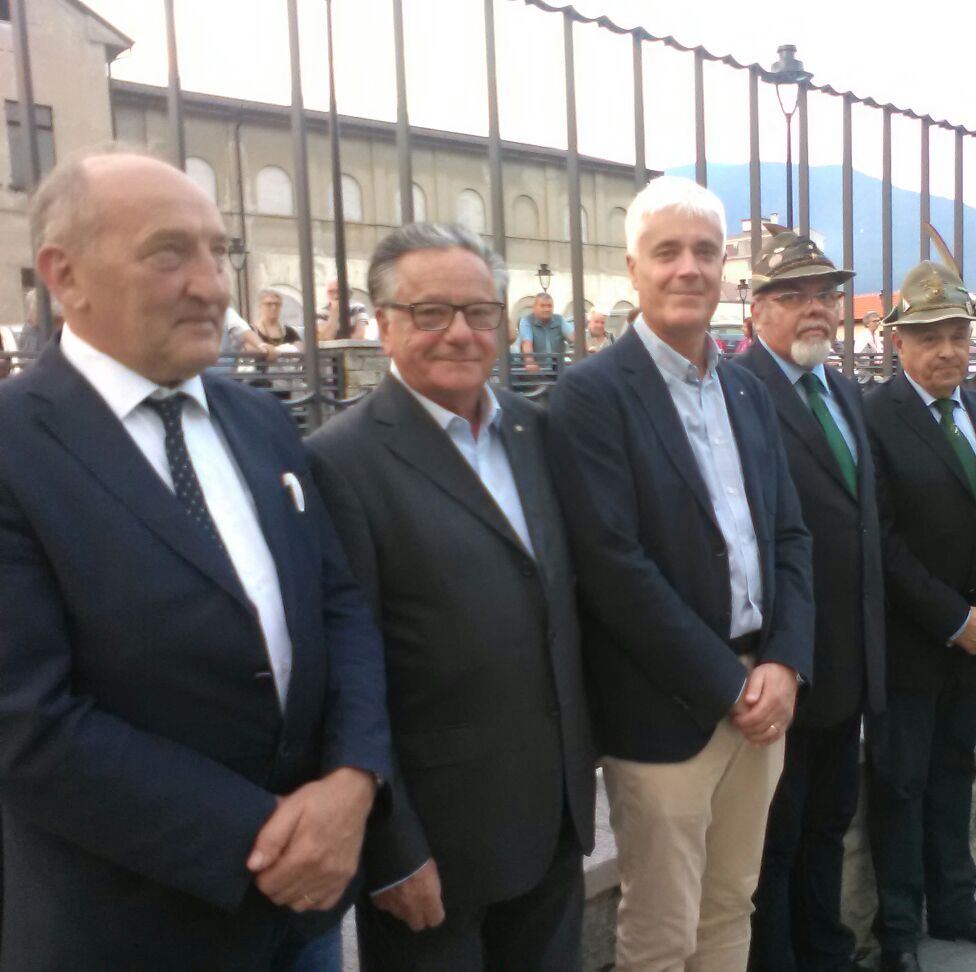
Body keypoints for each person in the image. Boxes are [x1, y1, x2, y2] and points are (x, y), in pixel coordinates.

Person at [0, 147, 391, 967]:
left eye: (219, 252)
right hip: (133, 925)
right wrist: (269, 840)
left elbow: (337, 604)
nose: (213, 286)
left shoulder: (261, 420)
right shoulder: (15, 446)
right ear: (65, 276)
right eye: (169, 253)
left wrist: (354, 778)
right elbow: (27, 720)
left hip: (307, 918)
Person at [307, 222, 596, 970]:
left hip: (552, 820)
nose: (460, 332)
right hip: (437, 844)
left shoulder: (536, 430)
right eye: (430, 312)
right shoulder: (339, 463)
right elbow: (345, 675)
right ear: (383, 324)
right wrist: (391, 850)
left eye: (479, 311)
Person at [548, 176, 814, 971]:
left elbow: (789, 535)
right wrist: (730, 687)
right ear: (634, 269)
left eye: (704, 251)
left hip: (763, 693)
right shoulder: (591, 396)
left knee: (732, 905)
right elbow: (613, 566)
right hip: (664, 711)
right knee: (663, 932)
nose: (688, 268)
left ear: (726, 266)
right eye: (667, 252)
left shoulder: (747, 388)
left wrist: (785, 661)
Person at [863, 260, 976, 972]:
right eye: (927, 337)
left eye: (957, 336)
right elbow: (878, 539)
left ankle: (956, 904)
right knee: (900, 783)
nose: (946, 351)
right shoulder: (873, 419)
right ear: (897, 343)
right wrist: (951, 617)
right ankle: (899, 931)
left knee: (954, 774)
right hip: (911, 642)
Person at [734, 232, 886, 972]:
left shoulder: (844, 390)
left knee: (828, 820)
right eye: (792, 296)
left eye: (825, 294)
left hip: (847, 656)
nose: (815, 309)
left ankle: (828, 952)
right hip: (781, 661)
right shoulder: (736, 392)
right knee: (775, 837)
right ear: (756, 310)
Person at [519, 292, 573, 370]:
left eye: (549, 306)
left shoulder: (559, 320)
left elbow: (574, 337)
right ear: (534, 308)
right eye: (543, 306)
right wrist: (530, 362)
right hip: (536, 372)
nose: (547, 309)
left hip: (558, 370)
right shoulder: (526, 321)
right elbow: (526, 343)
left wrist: (585, 350)